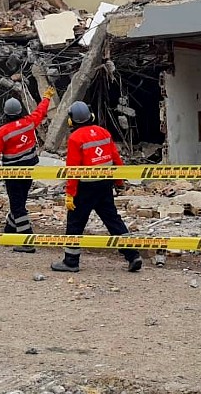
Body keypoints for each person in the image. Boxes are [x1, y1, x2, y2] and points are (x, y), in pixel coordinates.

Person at [51, 101, 142, 273]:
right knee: (113, 220)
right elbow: (116, 159)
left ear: (71, 121)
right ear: (90, 116)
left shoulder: (75, 138)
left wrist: (70, 193)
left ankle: (71, 261)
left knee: (75, 223)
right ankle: (133, 255)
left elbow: (73, 169)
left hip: (85, 188)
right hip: (105, 185)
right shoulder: (103, 132)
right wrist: (119, 181)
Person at [0, 88, 56, 253]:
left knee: (17, 206)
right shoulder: (29, 122)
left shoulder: (3, 131)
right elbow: (41, 111)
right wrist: (46, 98)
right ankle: (9, 233)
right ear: (20, 111)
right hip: (29, 169)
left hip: (12, 173)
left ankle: (26, 241)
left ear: (6, 114)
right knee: (19, 202)